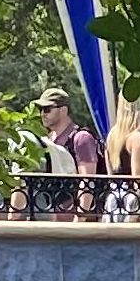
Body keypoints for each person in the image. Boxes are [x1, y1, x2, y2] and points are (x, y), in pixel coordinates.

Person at [35, 87, 102, 219]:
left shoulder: (81, 138)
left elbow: (87, 181)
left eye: (47, 109)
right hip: (52, 216)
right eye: (40, 109)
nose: (42, 114)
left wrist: (80, 218)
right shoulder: (47, 139)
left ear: (63, 110)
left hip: (78, 220)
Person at [104, 97, 140, 221]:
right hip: (132, 205)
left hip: (114, 201)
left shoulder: (112, 136)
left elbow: (111, 177)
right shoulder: (139, 139)